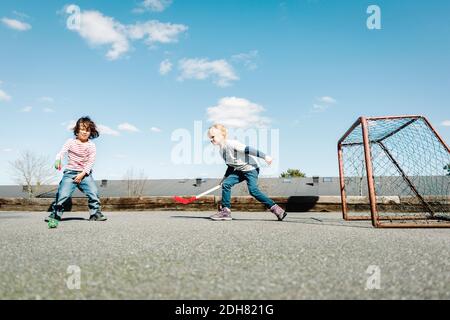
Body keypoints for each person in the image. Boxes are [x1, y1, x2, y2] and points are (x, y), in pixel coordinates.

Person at [207, 124, 287, 221]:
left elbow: (249, 150)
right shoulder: (221, 151)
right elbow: (230, 167)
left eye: (212, 137)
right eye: (210, 138)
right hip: (240, 170)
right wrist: (224, 179)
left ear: (221, 134)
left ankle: (277, 210)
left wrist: (265, 157)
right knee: (226, 184)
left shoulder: (232, 144)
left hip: (251, 169)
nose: (211, 140)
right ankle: (225, 212)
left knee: (253, 191)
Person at [45, 116, 107, 224]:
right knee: (63, 194)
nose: (85, 132)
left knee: (94, 192)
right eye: (82, 129)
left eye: (87, 130)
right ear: (77, 131)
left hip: (85, 174)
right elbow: (61, 152)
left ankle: (95, 213)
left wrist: (82, 174)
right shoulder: (70, 142)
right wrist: (57, 159)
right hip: (70, 173)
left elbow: (90, 162)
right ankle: (55, 214)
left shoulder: (91, 146)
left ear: (91, 132)